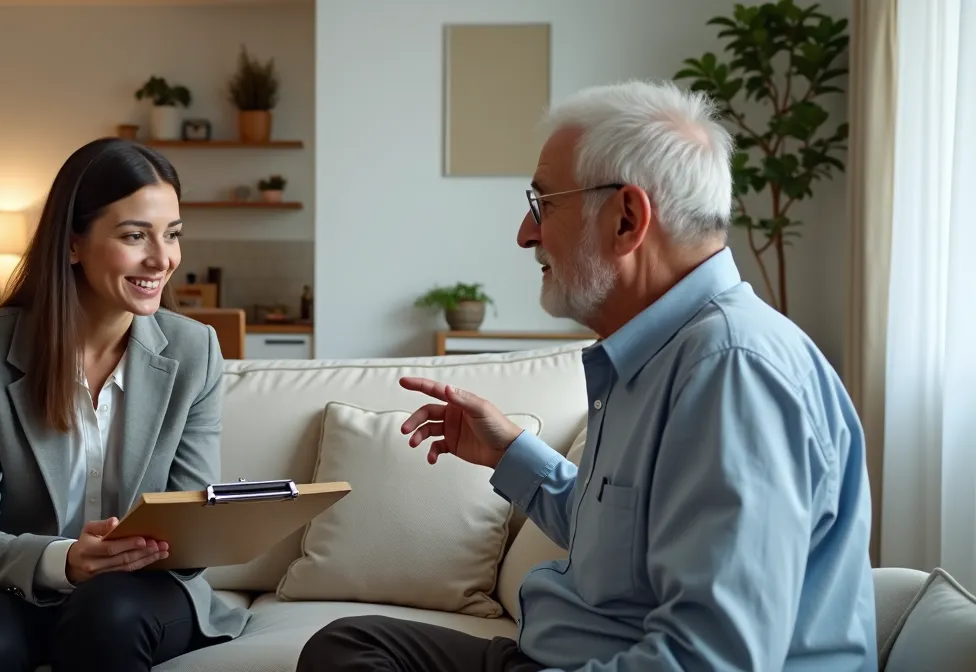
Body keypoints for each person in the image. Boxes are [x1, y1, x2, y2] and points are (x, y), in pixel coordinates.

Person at [297, 80, 877, 671]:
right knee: (349, 645)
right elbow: (621, 543)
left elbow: (709, 661)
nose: (525, 234)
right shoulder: (658, 353)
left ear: (627, 219)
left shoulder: (732, 371)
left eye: (543, 204)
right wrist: (508, 453)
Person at [0, 138, 249, 672]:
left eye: (172, 234)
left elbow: (190, 536)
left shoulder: (195, 351)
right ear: (73, 244)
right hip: (13, 582)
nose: (163, 258)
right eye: (135, 236)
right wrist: (64, 560)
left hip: (139, 591)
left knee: (106, 616)